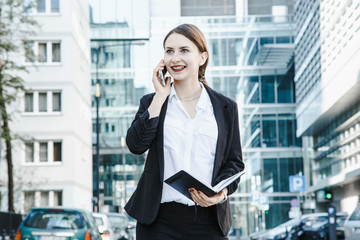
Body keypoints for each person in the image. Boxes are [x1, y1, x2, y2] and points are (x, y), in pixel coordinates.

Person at [125, 23, 245, 240]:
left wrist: (221, 194)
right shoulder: (152, 102)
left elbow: (234, 163)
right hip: (159, 220)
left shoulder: (226, 108)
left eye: (184, 50)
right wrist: (160, 96)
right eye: (169, 51)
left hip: (209, 222)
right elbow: (136, 145)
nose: (175, 58)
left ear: (202, 57)